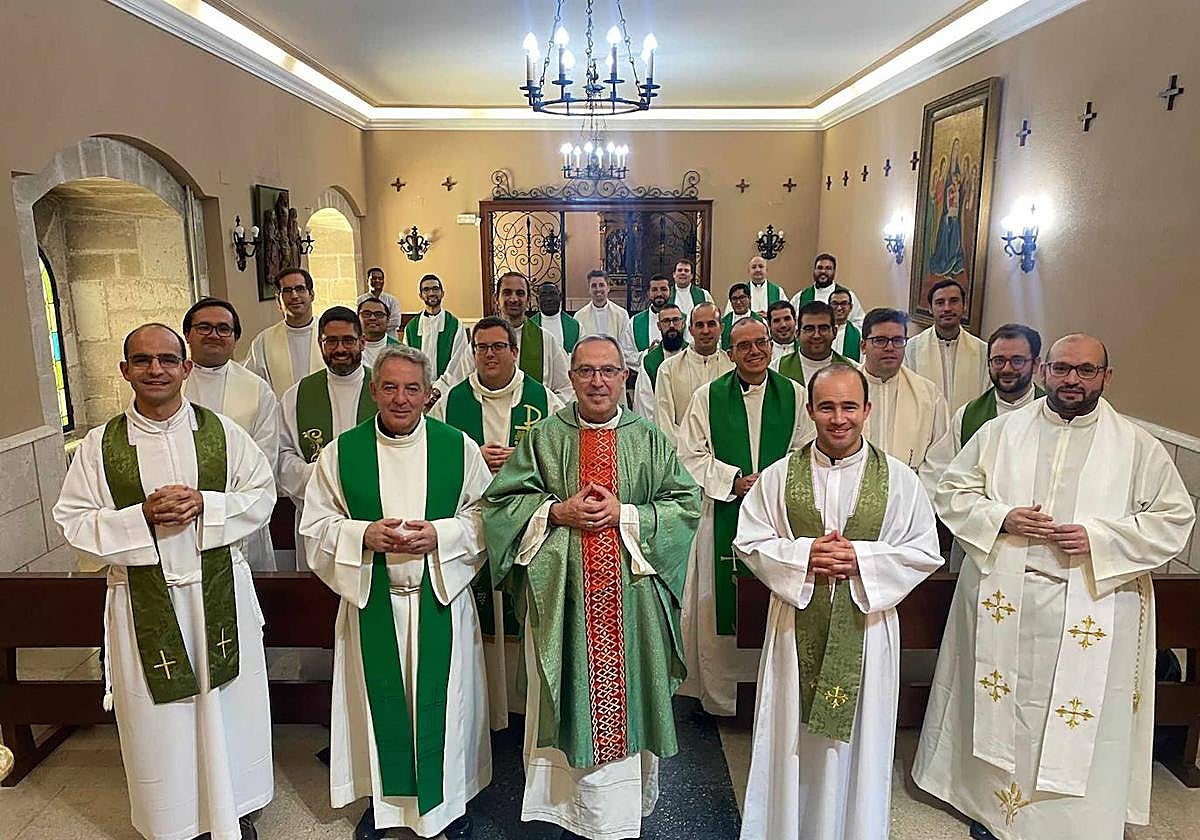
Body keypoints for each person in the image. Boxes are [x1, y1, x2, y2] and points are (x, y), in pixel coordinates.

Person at [913, 334, 1196, 840]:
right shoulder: (1002, 432)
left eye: (1087, 371)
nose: (1073, 380)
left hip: (1093, 604)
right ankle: (990, 804)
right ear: (1044, 371)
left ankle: (1072, 818)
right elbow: (951, 489)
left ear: (1106, 377)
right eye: (1064, 369)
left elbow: (1174, 520)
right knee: (1004, 702)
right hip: (1006, 599)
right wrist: (1002, 517)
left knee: (1071, 713)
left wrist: (1100, 537)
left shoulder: (1136, 446)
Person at [54, 323, 276, 840]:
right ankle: (173, 820)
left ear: (186, 368)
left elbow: (261, 494)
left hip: (218, 592)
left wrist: (207, 504)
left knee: (228, 707)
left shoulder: (221, 433)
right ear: (125, 369)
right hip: (142, 603)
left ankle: (233, 810)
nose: (156, 369)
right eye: (143, 360)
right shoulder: (97, 446)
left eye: (167, 360)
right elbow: (73, 520)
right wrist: (141, 518)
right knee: (162, 720)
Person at [482, 335, 701, 840]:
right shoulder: (544, 438)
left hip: (631, 609)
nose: (598, 381)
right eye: (586, 371)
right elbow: (500, 506)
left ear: (625, 377)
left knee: (622, 711)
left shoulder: (648, 438)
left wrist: (625, 514)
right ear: (572, 377)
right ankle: (563, 809)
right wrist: (558, 512)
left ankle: (616, 818)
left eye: (608, 371)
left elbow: (685, 506)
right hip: (565, 603)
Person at [734, 364, 942, 840]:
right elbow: (749, 541)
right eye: (826, 406)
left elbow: (924, 550)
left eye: (849, 406)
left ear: (867, 410)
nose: (838, 418)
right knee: (792, 741)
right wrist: (806, 555)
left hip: (867, 632)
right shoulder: (779, 476)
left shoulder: (900, 481)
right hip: (794, 630)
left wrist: (861, 560)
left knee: (860, 744)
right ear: (810, 411)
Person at [300, 345, 490, 840]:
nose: (401, 398)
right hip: (373, 605)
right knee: (376, 709)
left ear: (429, 394)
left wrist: (441, 536)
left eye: (412, 388)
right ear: (372, 390)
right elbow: (316, 524)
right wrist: (362, 535)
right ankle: (384, 807)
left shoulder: (459, 447)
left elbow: (487, 517)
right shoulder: (342, 452)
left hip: (440, 602)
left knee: (446, 711)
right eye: (390, 387)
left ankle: (449, 804)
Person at [429, 316, 564, 731]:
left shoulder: (545, 401)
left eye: (498, 347)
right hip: (469, 527)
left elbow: (562, 460)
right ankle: (483, 707)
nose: (489, 354)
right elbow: (429, 453)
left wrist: (516, 465)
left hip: (526, 527)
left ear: (514, 351)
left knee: (522, 617)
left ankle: (524, 707)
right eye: (482, 347)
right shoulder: (450, 402)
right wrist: (471, 458)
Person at [677, 317, 813, 716]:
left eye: (762, 343)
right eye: (744, 346)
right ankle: (723, 699)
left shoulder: (795, 394)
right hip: (723, 511)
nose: (755, 352)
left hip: (779, 518)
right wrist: (733, 481)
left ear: (772, 346)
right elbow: (689, 455)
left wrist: (772, 482)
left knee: (776, 604)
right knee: (717, 605)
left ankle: (772, 696)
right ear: (730, 352)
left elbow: (807, 451)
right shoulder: (708, 397)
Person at [182, 297, 279, 570]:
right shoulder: (168, 385)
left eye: (223, 329)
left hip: (240, 517)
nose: (214, 335)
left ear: (235, 338)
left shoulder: (257, 390)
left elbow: (266, 457)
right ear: (187, 334)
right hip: (182, 522)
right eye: (204, 327)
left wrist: (217, 503)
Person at [278, 306, 376, 569]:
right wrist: (322, 475)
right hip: (318, 517)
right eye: (330, 341)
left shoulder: (384, 389)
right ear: (320, 344)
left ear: (362, 342)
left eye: (348, 340)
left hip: (375, 518)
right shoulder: (297, 395)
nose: (340, 349)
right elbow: (282, 456)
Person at [919, 323, 1045, 502]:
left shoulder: (1053, 414)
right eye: (999, 361)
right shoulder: (966, 416)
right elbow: (944, 475)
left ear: (1035, 364)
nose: (1007, 369)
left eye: (1017, 361)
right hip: (979, 524)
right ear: (989, 364)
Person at [450, 272, 574, 403]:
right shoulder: (482, 341)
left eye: (520, 293)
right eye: (507, 293)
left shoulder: (546, 340)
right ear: (496, 299)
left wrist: (546, 410)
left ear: (528, 300)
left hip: (533, 419)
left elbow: (566, 388)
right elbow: (458, 381)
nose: (514, 299)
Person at [859, 308, 948, 472]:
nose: (890, 347)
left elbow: (939, 459)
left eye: (898, 340)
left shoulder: (928, 395)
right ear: (863, 346)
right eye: (880, 340)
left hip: (911, 491)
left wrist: (911, 491)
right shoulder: (844, 390)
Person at [653, 302, 734, 445]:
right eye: (699, 325)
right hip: (683, 456)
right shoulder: (668, 369)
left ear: (721, 328)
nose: (705, 331)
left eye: (711, 324)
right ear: (690, 330)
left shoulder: (733, 367)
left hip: (725, 453)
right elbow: (664, 424)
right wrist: (692, 451)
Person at [906, 279, 989, 413]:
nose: (947, 308)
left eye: (954, 301)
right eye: (940, 303)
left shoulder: (982, 350)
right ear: (930, 309)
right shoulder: (912, 349)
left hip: (968, 430)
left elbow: (987, 399)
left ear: (964, 306)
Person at [245, 267, 323, 397]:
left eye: (300, 289)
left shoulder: (329, 333)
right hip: (281, 415)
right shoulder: (264, 341)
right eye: (287, 291)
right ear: (278, 300)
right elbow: (252, 385)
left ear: (312, 295)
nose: (294, 296)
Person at [402, 273, 469, 402]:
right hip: (418, 394)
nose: (431, 293)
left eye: (435, 289)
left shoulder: (455, 325)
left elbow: (459, 362)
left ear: (442, 293)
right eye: (426, 290)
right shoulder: (411, 328)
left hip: (447, 392)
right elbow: (407, 362)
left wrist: (439, 389)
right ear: (420, 295)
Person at [774, 300, 856, 386]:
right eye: (809, 329)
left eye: (823, 328)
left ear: (834, 332)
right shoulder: (777, 368)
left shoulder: (852, 368)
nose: (816, 335)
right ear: (797, 334)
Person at [573, 269, 640, 370]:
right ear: (589, 289)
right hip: (590, 367)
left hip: (614, 366)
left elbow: (625, 346)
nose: (598, 289)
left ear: (608, 287)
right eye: (594, 286)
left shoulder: (621, 314)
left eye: (601, 285)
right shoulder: (579, 316)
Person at [632, 303, 686, 419]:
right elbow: (645, 405)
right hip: (659, 429)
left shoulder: (693, 354)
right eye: (666, 321)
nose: (671, 325)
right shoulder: (649, 362)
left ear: (683, 323)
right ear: (659, 326)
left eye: (676, 320)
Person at [790, 254, 866, 331]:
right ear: (814, 270)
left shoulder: (847, 296)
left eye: (828, 268)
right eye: (820, 268)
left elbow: (860, 323)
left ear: (834, 271)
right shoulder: (800, 297)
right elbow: (791, 323)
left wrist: (841, 330)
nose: (823, 271)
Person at [532, 280, 581, 354]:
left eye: (553, 294)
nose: (549, 299)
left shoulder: (576, 326)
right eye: (544, 295)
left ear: (560, 297)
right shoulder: (529, 326)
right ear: (537, 300)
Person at [630, 274, 673, 354]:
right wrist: (648, 353)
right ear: (648, 293)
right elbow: (627, 354)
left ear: (670, 292)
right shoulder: (634, 322)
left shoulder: (681, 319)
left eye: (663, 289)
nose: (659, 294)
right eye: (654, 290)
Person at [356, 266, 402, 340]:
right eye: (373, 278)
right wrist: (380, 324)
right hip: (367, 340)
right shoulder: (360, 300)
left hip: (389, 339)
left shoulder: (392, 300)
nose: (377, 280)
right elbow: (358, 320)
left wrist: (373, 327)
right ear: (368, 280)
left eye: (380, 278)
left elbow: (396, 321)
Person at [358, 296, 400, 368]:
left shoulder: (400, 350)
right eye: (367, 314)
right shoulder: (349, 347)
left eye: (379, 314)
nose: (372, 318)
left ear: (388, 320)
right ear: (357, 318)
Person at [721, 283, 764, 351]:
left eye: (742, 297)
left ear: (749, 298)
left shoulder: (760, 321)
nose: (738, 302)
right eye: (734, 299)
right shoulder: (723, 323)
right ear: (730, 301)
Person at [829, 288, 862, 362]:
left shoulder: (859, 334)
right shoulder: (823, 332)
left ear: (851, 307)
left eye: (844, 303)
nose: (839, 308)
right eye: (835, 303)